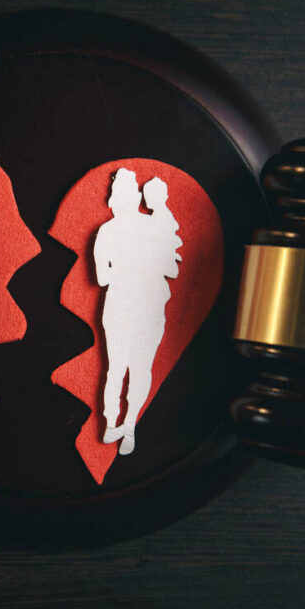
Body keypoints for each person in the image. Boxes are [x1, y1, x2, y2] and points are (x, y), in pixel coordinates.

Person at [93, 169, 180, 456]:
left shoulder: (152, 228)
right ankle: (111, 424)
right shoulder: (106, 231)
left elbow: (171, 268)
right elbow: (101, 277)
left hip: (147, 305)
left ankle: (127, 425)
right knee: (118, 369)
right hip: (120, 305)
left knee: (135, 369)